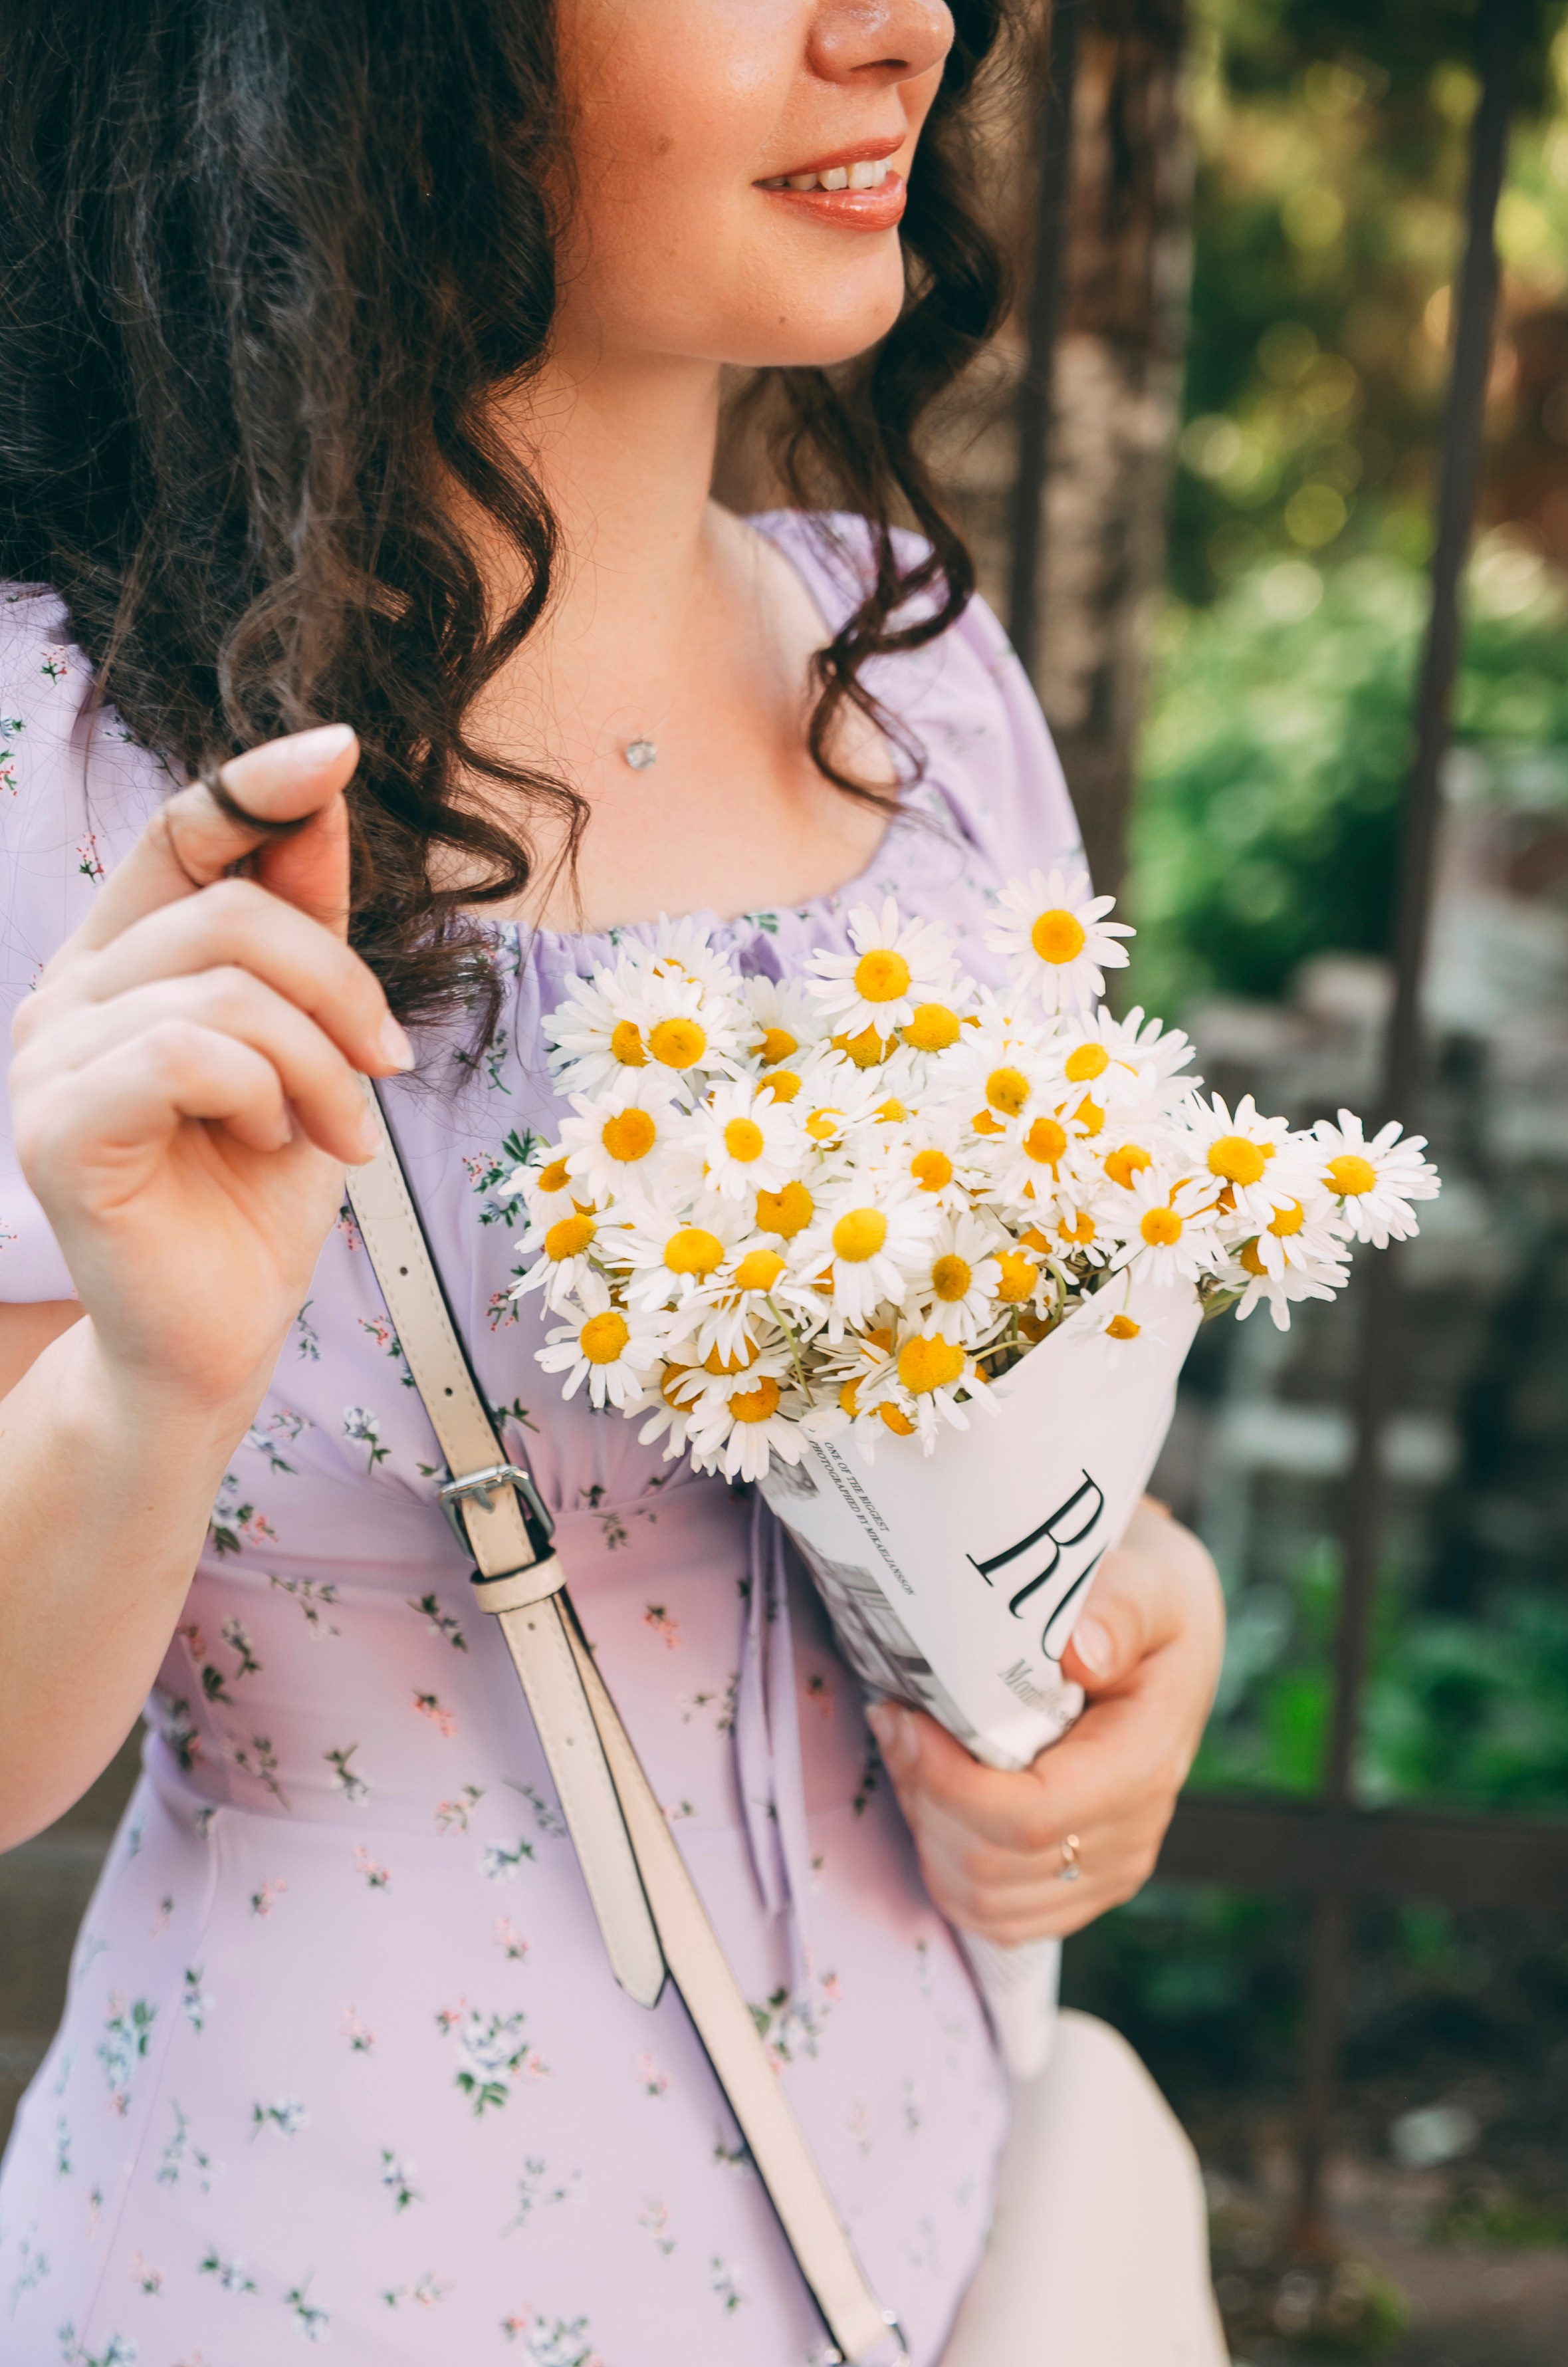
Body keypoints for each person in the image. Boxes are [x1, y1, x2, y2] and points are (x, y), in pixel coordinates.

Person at [0, 3, 1228, 2360]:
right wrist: (151, 1388)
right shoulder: (78, 751)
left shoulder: (921, 688)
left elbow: (1006, 1427)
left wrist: (1127, 1612)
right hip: (340, 2274)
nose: (904, 26)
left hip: (926, 2236)